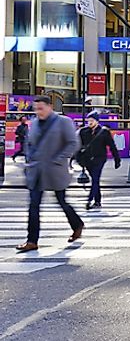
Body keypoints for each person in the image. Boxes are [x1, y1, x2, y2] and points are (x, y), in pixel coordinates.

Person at [16, 96, 83, 252]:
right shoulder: (34, 124)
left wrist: (59, 158)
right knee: (33, 205)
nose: (38, 112)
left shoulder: (63, 121)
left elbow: (73, 143)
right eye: (36, 109)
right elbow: (30, 143)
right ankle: (32, 241)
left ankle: (77, 224)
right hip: (37, 170)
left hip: (55, 169)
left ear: (49, 107)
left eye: (41, 108)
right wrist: (29, 160)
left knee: (62, 201)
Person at [77, 112, 121, 210]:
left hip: (99, 158)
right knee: (95, 180)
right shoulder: (84, 131)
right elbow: (78, 146)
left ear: (97, 121)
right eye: (89, 121)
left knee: (95, 179)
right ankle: (97, 201)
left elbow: (112, 146)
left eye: (92, 121)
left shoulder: (104, 132)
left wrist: (117, 159)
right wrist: (78, 158)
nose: (90, 123)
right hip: (87, 160)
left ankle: (90, 200)